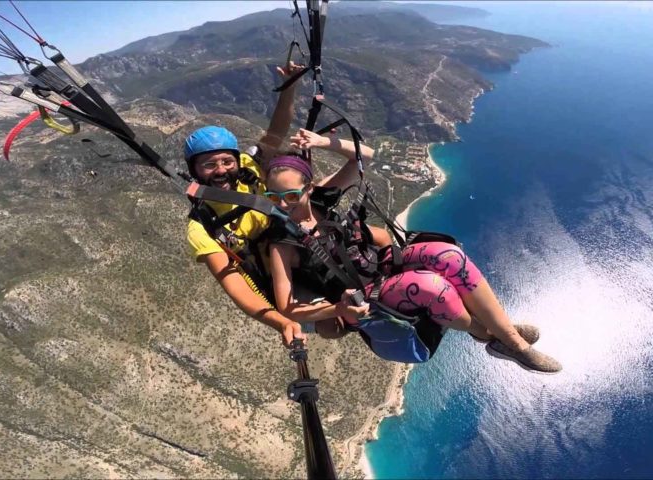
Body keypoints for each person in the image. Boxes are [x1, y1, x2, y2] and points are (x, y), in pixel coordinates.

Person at [265, 128, 563, 373]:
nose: (283, 204)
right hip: (362, 298)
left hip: (381, 266)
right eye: (273, 197)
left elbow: (364, 156)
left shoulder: (321, 201)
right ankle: (502, 340)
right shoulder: (284, 245)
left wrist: (321, 141)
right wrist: (339, 310)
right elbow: (287, 307)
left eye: (291, 194)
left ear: (309, 188)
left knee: (448, 256)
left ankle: (505, 334)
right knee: (431, 287)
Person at [185, 62, 306, 348]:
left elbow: (276, 131)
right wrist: (282, 322)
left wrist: (290, 87)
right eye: (208, 165)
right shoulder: (202, 227)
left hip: (301, 247)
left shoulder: (250, 170)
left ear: (237, 162)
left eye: (227, 161)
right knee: (331, 326)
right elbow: (235, 287)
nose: (220, 171)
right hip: (278, 279)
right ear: (194, 172)